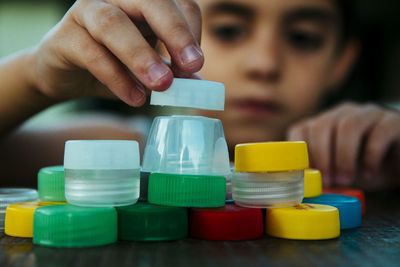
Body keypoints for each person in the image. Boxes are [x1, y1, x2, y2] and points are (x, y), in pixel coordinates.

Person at [0, 0, 399, 189]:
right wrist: (35, 78)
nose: (264, 63)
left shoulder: (367, 152)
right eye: (228, 30)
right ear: (159, 37)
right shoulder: (127, 154)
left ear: (342, 60)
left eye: (302, 37)